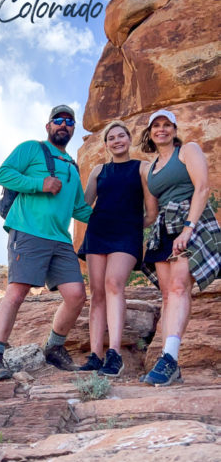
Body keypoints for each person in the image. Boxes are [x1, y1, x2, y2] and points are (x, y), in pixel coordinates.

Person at [0, 105, 93, 379]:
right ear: (48, 126)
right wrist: (40, 184)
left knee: (76, 296)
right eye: (58, 120)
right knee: (17, 292)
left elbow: (79, 208)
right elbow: (3, 174)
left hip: (60, 239)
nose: (63, 125)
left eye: (69, 121)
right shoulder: (31, 148)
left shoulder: (71, 165)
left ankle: (54, 349)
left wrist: (114, 219)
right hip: (28, 231)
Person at [139, 109, 221, 385]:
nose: (161, 129)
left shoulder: (188, 150)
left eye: (166, 125)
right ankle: (167, 361)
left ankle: (170, 358)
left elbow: (202, 188)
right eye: (156, 126)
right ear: (149, 133)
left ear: (174, 129)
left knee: (178, 287)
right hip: (163, 227)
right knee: (167, 294)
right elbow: (151, 213)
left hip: (189, 220)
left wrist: (188, 228)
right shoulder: (150, 169)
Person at [77, 121, 159, 376]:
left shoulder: (142, 168)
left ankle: (114, 354)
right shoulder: (98, 170)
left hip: (126, 235)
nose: (116, 141)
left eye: (121, 136)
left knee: (114, 283)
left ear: (129, 139)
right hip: (98, 233)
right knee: (97, 292)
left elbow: (152, 211)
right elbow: (83, 204)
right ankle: (95, 355)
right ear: (106, 144)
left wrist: (132, 225)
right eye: (111, 138)